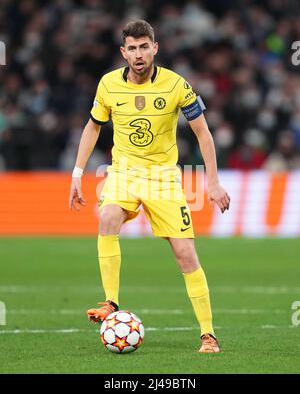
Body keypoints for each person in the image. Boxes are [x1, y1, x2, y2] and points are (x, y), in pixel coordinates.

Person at [69, 20, 230, 353]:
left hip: (164, 178)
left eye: (145, 47)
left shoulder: (176, 85)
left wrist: (212, 182)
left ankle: (208, 334)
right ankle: (111, 301)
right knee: (108, 216)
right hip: (123, 172)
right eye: (132, 48)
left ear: (155, 48)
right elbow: (92, 127)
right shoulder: (108, 85)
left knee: (186, 255)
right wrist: (76, 174)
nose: (138, 54)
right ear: (123, 52)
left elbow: (203, 133)